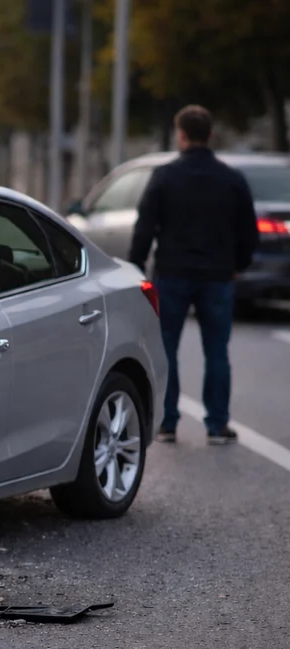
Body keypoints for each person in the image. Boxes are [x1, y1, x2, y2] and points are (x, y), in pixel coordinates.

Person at [128, 105, 257, 446]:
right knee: (217, 349)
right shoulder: (231, 179)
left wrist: (135, 266)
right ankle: (217, 425)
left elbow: (145, 227)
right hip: (217, 276)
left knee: (166, 346)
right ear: (210, 134)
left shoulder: (165, 176)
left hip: (172, 273)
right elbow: (248, 231)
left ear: (181, 134)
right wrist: (237, 265)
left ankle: (167, 423)